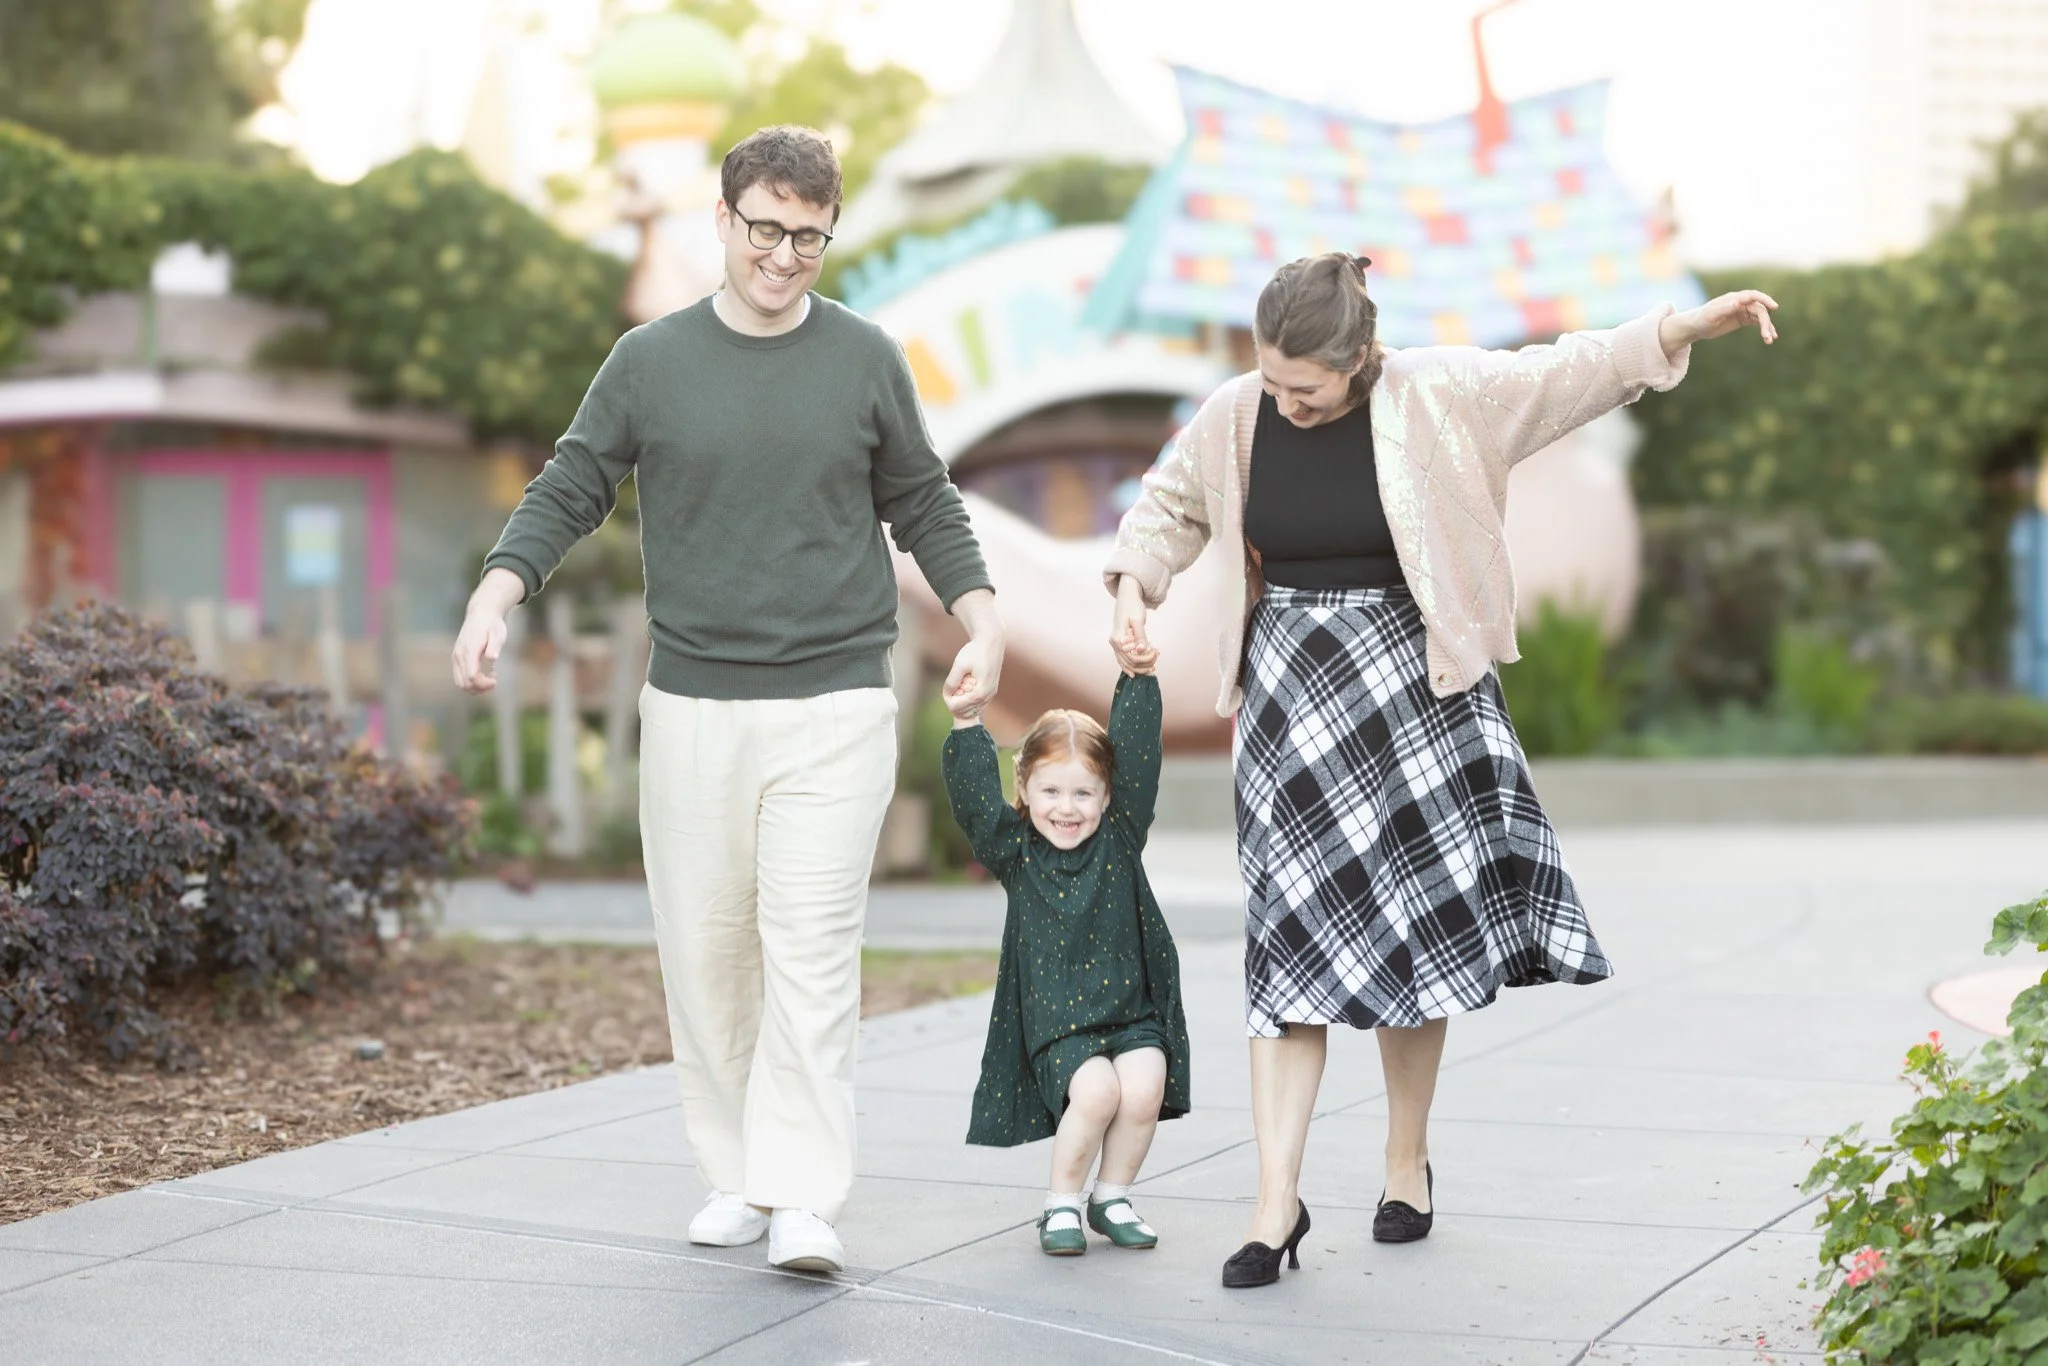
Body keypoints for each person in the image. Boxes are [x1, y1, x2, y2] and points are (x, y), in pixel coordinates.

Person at [1104, 253, 1779, 1288]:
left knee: (1410, 935)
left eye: (1305, 387)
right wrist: (1132, 584)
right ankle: (1274, 1203)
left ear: (1358, 357)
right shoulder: (1239, 413)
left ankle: (1404, 1162)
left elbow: (1568, 373)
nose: (1285, 402)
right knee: (1284, 950)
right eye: (1272, 379)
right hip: (1289, 706)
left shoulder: (1440, 393)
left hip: (1414, 692)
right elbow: (1169, 506)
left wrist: (1679, 329)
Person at [451, 125, 1004, 1275]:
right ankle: (739, 1174)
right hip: (694, 705)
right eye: (765, 229)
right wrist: (498, 592)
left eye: (808, 237)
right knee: (706, 953)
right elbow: (572, 483)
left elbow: (922, 498)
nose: (784, 256)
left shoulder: (862, 359)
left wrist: (982, 617)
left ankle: (802, 1193)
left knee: (810, 951)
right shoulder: (649, 362)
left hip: (836, 700)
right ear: (722, 218)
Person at [939, 630, 1191, 1256]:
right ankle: (1061, 1204)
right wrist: (967, 722)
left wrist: (1138, 679)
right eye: (1051, 791)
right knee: (1098, 1093)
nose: (1067, 808)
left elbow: (1138, 757)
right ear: (1024, 789)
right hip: (1061, 1027)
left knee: (1144, 1085)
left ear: (1107, 796)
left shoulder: (1120, 836)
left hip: (1131, 1015)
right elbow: (975, 805)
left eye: (1084, 793)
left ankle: (1112, 1197)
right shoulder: (1018, 853)